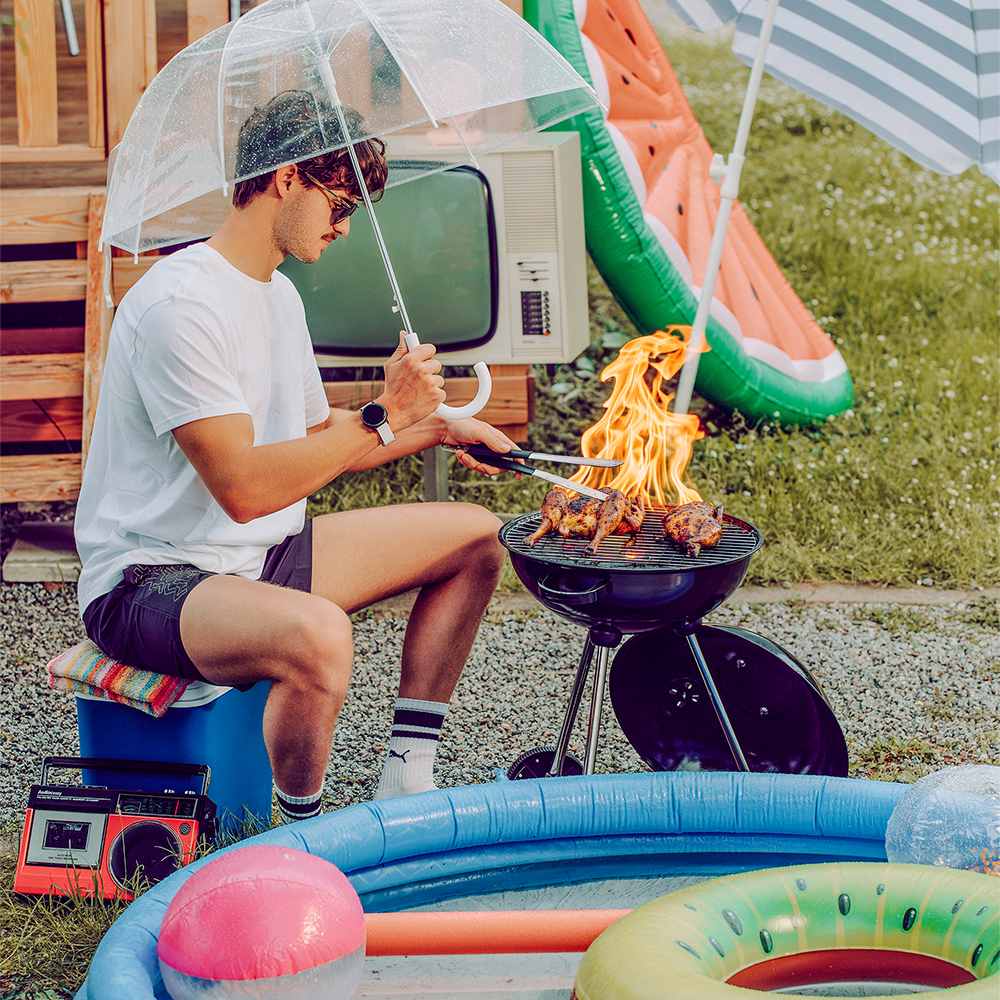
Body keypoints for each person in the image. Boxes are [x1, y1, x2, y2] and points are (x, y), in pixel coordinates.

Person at [75, 91, 517, 824]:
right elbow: (244, 487)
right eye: (339, 204)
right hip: (148, 580)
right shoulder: (178, 305)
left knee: (476, 536)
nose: (344, 228)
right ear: (286, 179)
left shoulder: (278, 297)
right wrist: (384, 414)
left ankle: (408, 777)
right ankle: (301, 838)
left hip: (257, 558)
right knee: (319, 635)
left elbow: (323, 441)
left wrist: (438, 427)